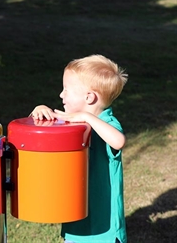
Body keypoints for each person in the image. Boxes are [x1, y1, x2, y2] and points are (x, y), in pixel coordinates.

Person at [30, 54, 128, 243]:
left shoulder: (107, 122)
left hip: (104, 226)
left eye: (66, 90)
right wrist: (40, 109)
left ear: (89, 97)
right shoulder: (72, 119)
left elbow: (118, 141)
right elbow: (45, 129)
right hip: (77, 213)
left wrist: (88, 117)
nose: (61, 95)